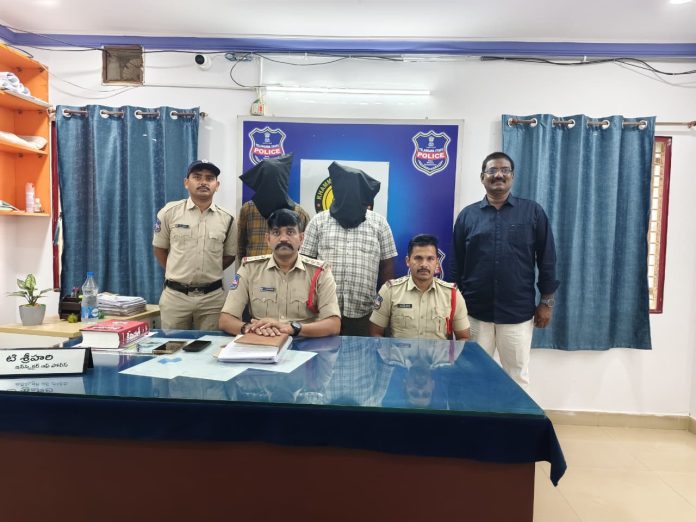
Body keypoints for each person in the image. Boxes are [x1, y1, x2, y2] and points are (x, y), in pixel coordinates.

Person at [451, 152, 559, 389]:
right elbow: (456, 265)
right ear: (482, 177)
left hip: (517, 313)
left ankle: (515, 417)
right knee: (473, 376)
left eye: (504, 170)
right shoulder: (468, 216)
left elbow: (547, 260)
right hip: (474, 312)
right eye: (492, 170)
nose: (498, 175)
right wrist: (454, 308)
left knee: (516, 377)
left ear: (512, 176)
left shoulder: (532, 212)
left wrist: (546, 303)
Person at [300, 161, 397, 336]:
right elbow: (305, 264)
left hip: (364, 314)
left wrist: (382, 308)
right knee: (322, 354)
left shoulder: (379, 224)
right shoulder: (318, 222)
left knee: (362, 354)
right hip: (322, 312)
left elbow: (387, 266)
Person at [219, 208, 341, 338]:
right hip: (262, 340)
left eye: (290, 232)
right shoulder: (249, 269)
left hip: (304, 342)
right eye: (276, 233)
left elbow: (333, 325)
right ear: (268, 239)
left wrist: (292, 328)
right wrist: (250, 328)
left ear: (301, 238)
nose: (283, 239)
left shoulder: (320, 272)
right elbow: (225, 320)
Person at [152, 160, 236, 330]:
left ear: (217, 185)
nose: (204, 182)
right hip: (175, 297)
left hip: (212, 299)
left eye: (209, 178)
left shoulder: (228, 218)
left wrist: (209, 270)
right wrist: (177, 271)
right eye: (197, 177)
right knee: (173, 344)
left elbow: (229, 255)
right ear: (186, 183)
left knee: (211, 344)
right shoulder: (169, 212)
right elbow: (159, 248)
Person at [369, 234, 470, 340]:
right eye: (418, 258)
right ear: (408, 261)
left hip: (437, 352)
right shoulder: (390, 291)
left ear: (437, 262)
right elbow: (375, 333)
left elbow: (463, 337)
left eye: (430, 259)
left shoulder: (452, 294)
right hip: (400, 352)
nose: (424, 264)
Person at [237, 153, 311, 258]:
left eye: (275, 179)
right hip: (255, 267)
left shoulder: (299, 213)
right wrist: (245, 266)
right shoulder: (248, 209)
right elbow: (241, 246)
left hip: (287, 267)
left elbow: (305, 248)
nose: (271, 185)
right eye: (267, 180)